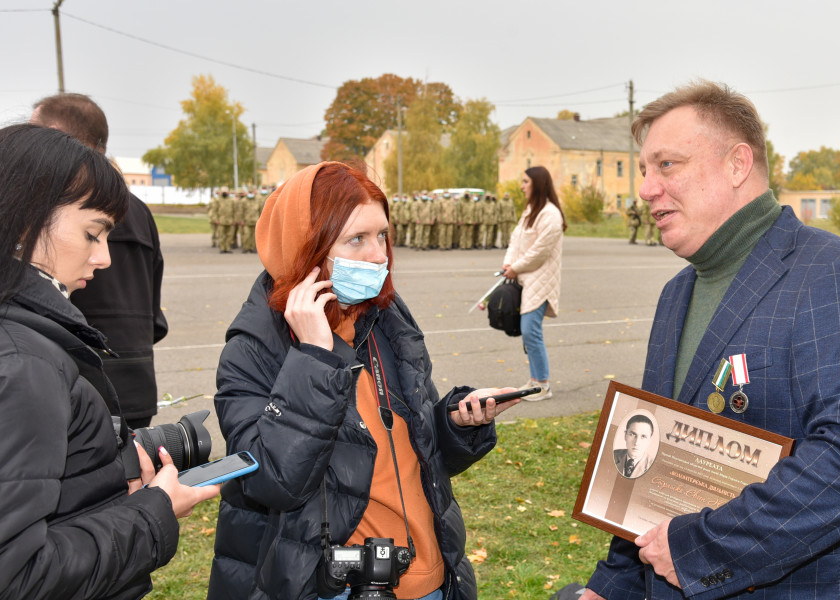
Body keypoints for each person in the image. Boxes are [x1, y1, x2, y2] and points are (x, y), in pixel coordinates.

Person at [582, 81, 840, 600]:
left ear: (738, 164)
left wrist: (702, 548)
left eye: (666, 165)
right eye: (645, 170)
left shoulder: (838, 276)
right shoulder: (677, 294)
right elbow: (654, 462)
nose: (645, 189)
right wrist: (616, 583)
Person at [207, 161, 521, 600]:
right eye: (356, 239)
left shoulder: (386, 318)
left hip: (430, 575)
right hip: (332, 587)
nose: (378, 255)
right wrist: (315, 357)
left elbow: (413, 447)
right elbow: (272, 482)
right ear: (306, 245)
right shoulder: (255, 347)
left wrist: (457, 423)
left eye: (382, 236)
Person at [0, 123, 218, 600]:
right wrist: (157, 508)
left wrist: (106, 464)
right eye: (92, 233)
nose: (104, 259)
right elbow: (19, 575)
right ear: (24, 219)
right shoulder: (24, 361)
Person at [31, 92, 169, 428]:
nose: (101, 258)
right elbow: (153, 308)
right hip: (132, 376)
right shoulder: (137, 209)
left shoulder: (54, 205)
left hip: (79, 381)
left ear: (54, 134)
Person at [502, 166, 566, 402]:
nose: (522, 186)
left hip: (541, 281)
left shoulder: (551, 214)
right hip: (524, 279)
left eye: (525, 181)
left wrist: (515, 267)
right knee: (528, 332)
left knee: (531, 330)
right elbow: (515, 241)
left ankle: (543, 385)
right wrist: (508, 264)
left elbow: (539, 252)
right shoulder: (531, 210)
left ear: (537, 184)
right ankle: (535, 380)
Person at [612, 413, 656, 479]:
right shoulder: (612, 455)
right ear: (625, 435)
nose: (637, 442)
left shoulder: (653, 467)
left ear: (649, 440)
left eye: (643, 436)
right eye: (632, 434)